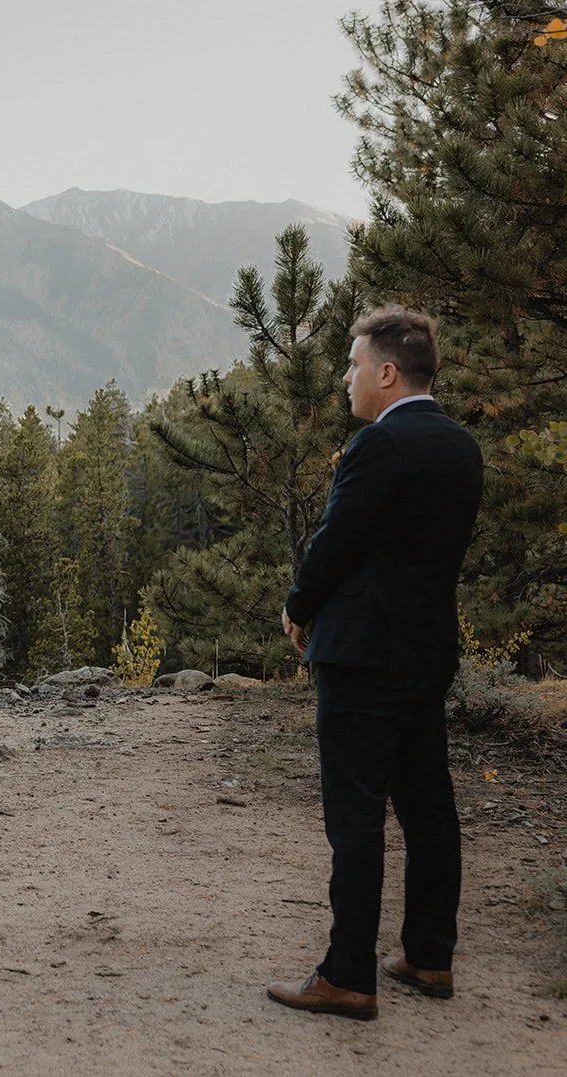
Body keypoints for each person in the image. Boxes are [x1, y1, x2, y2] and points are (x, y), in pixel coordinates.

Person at [267, 308, 483, 1021]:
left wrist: (298, 606)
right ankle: (429, 954)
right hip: (426, 653)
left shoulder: (379, 446)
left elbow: (337, 540)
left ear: (387, 372)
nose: (347, 378)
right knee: (428, 804)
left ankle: (348, 974)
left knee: (355, 816)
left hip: (363, 655)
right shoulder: (460, 447)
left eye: (355, 365)